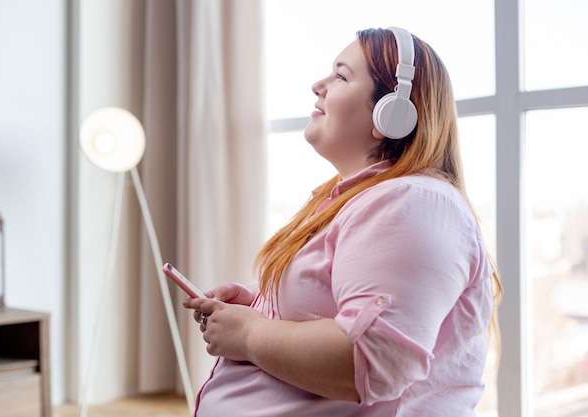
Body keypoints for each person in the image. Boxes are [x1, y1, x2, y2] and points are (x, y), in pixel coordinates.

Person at [183, 26, 502, 417]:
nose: (319, 85)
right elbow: (339, 308)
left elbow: (371, 360)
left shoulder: (412, 204)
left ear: (394, 114)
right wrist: (261, 305)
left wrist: (250, 334)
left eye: (341, 75)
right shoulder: (357, 200)